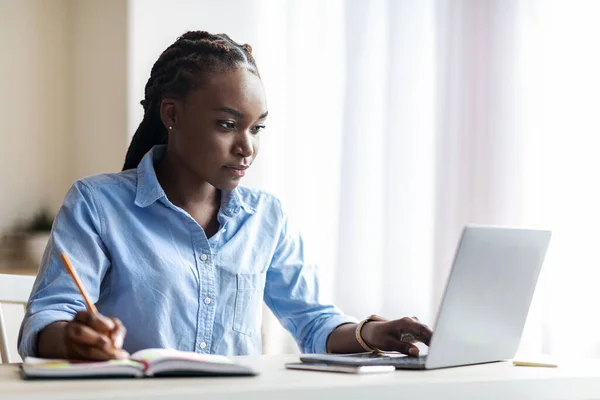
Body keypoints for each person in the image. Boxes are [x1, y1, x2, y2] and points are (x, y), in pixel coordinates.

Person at [18, 31, 432, 361]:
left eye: (257, 128)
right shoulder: (97, 204)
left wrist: (371, 332)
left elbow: (313, 323)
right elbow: (47, 318)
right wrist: (72, 337)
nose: (247, 147)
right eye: (227, 124)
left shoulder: (265, 217)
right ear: (172, 115)